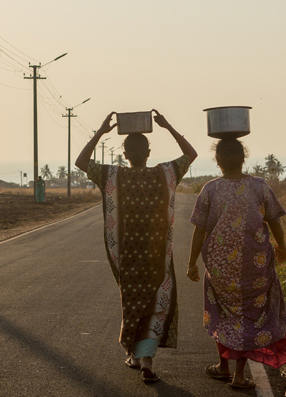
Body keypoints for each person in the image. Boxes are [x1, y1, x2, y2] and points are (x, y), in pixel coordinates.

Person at [75, 110, 197, 382]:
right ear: (149, 152)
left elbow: (81, 161)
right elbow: (191, 154)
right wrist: (168, 126)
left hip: (128, 259)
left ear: (125, 154)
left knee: (133, 305)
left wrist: (100, 132)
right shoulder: (165, 174)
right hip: (157, 258)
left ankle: (134, 352)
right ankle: (147, 360)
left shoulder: (113, 176)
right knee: (155, 305)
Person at [187, 138, 286, 389]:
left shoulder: (210, 189)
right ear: (243, 158)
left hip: (219, 269)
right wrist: (282, 247)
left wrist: (191, 263)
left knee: (225, 313)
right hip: (255, 266)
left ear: (217, 162)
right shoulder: (259, 186)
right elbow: (274, 221)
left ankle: (223, 367)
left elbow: (199, 231)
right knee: (249, 315)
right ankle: (238, 374)